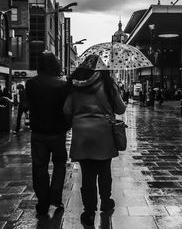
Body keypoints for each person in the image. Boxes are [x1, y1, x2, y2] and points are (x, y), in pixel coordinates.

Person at [63, 54, 126, 227]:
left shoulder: (75, 85)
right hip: (103, 134)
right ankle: (106, 201)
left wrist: (76, 122)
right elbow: (120, 108)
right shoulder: (108, 83)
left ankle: (89, 212)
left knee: (87, 175)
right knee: (104, 171)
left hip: (82, 136)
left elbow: (67, 109)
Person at [25, 51, 70, 216]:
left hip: (38, 133)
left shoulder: (31, 84)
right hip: (57, 132)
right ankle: (55, 197)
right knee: (59, 164)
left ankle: (42, 201)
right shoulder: (62, 84)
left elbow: (29, 105)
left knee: (39, 167)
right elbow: (66, 109)